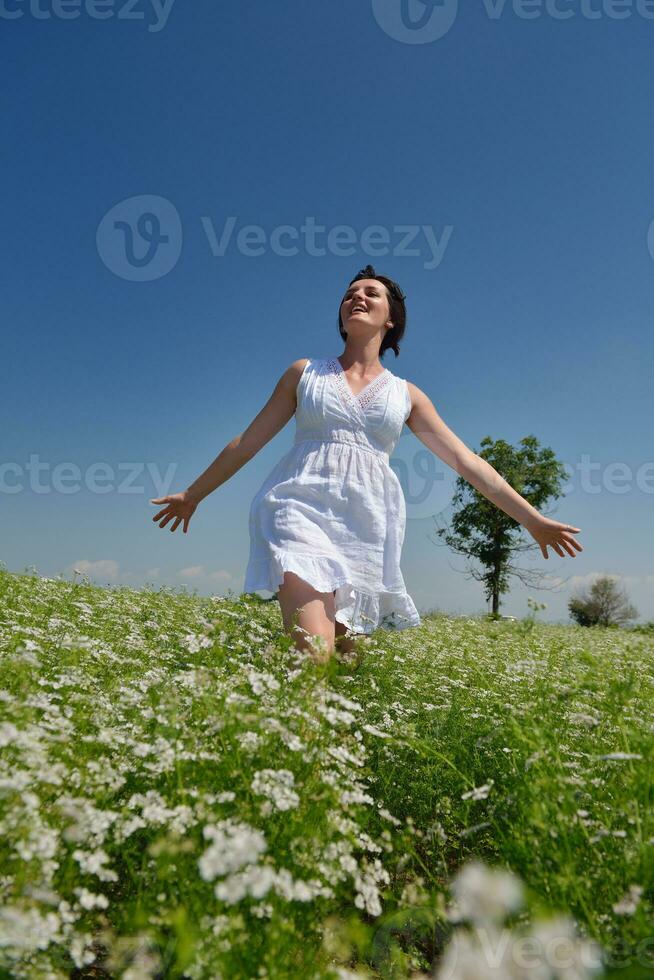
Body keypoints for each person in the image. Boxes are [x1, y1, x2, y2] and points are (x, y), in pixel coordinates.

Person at [150, 264, 583, 664]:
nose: (357, 297)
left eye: (370, 293)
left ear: (390, 318)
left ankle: (324, 742)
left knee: (345, 661)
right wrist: (194, 494)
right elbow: (247, 442)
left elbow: (467, 462)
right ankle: (296, 742)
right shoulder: (304, 374)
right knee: (313, 651)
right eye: (349, 293)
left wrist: (532, 520)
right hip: (297, 508)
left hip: (366, 526)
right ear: (341, 315)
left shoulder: (407, 395)